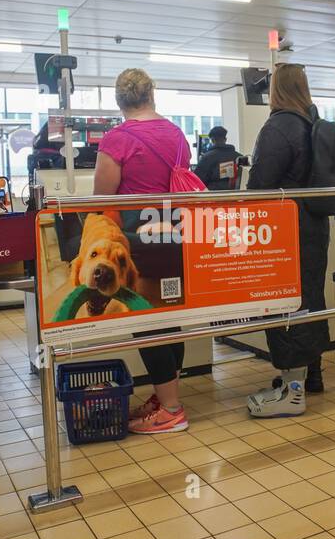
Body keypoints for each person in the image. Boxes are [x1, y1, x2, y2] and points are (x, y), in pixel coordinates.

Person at [94, 69, 192, 434]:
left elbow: (102, 197)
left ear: (120, 102)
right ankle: (166, 394)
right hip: (178, 233)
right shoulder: (178, 134)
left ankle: (171, 409)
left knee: (143, 319)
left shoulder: (117, 140)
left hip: (139, 239)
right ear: (152, 94)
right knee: (169, 314)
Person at [245, 63, 335, 414]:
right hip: (315, 225)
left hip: (285, 228)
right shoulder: (313, 122)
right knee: (310, 295)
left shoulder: (279, 125)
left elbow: (260, 186)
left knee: (285, 300)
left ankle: (291, 391)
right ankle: (310, 375)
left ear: (276, 90)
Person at [194, 126, 242, 191]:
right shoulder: (239, 157)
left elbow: (197, 181)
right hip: (237, 197)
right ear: (225, 139)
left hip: (214, 197)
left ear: (212, 140)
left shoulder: (206, 158)